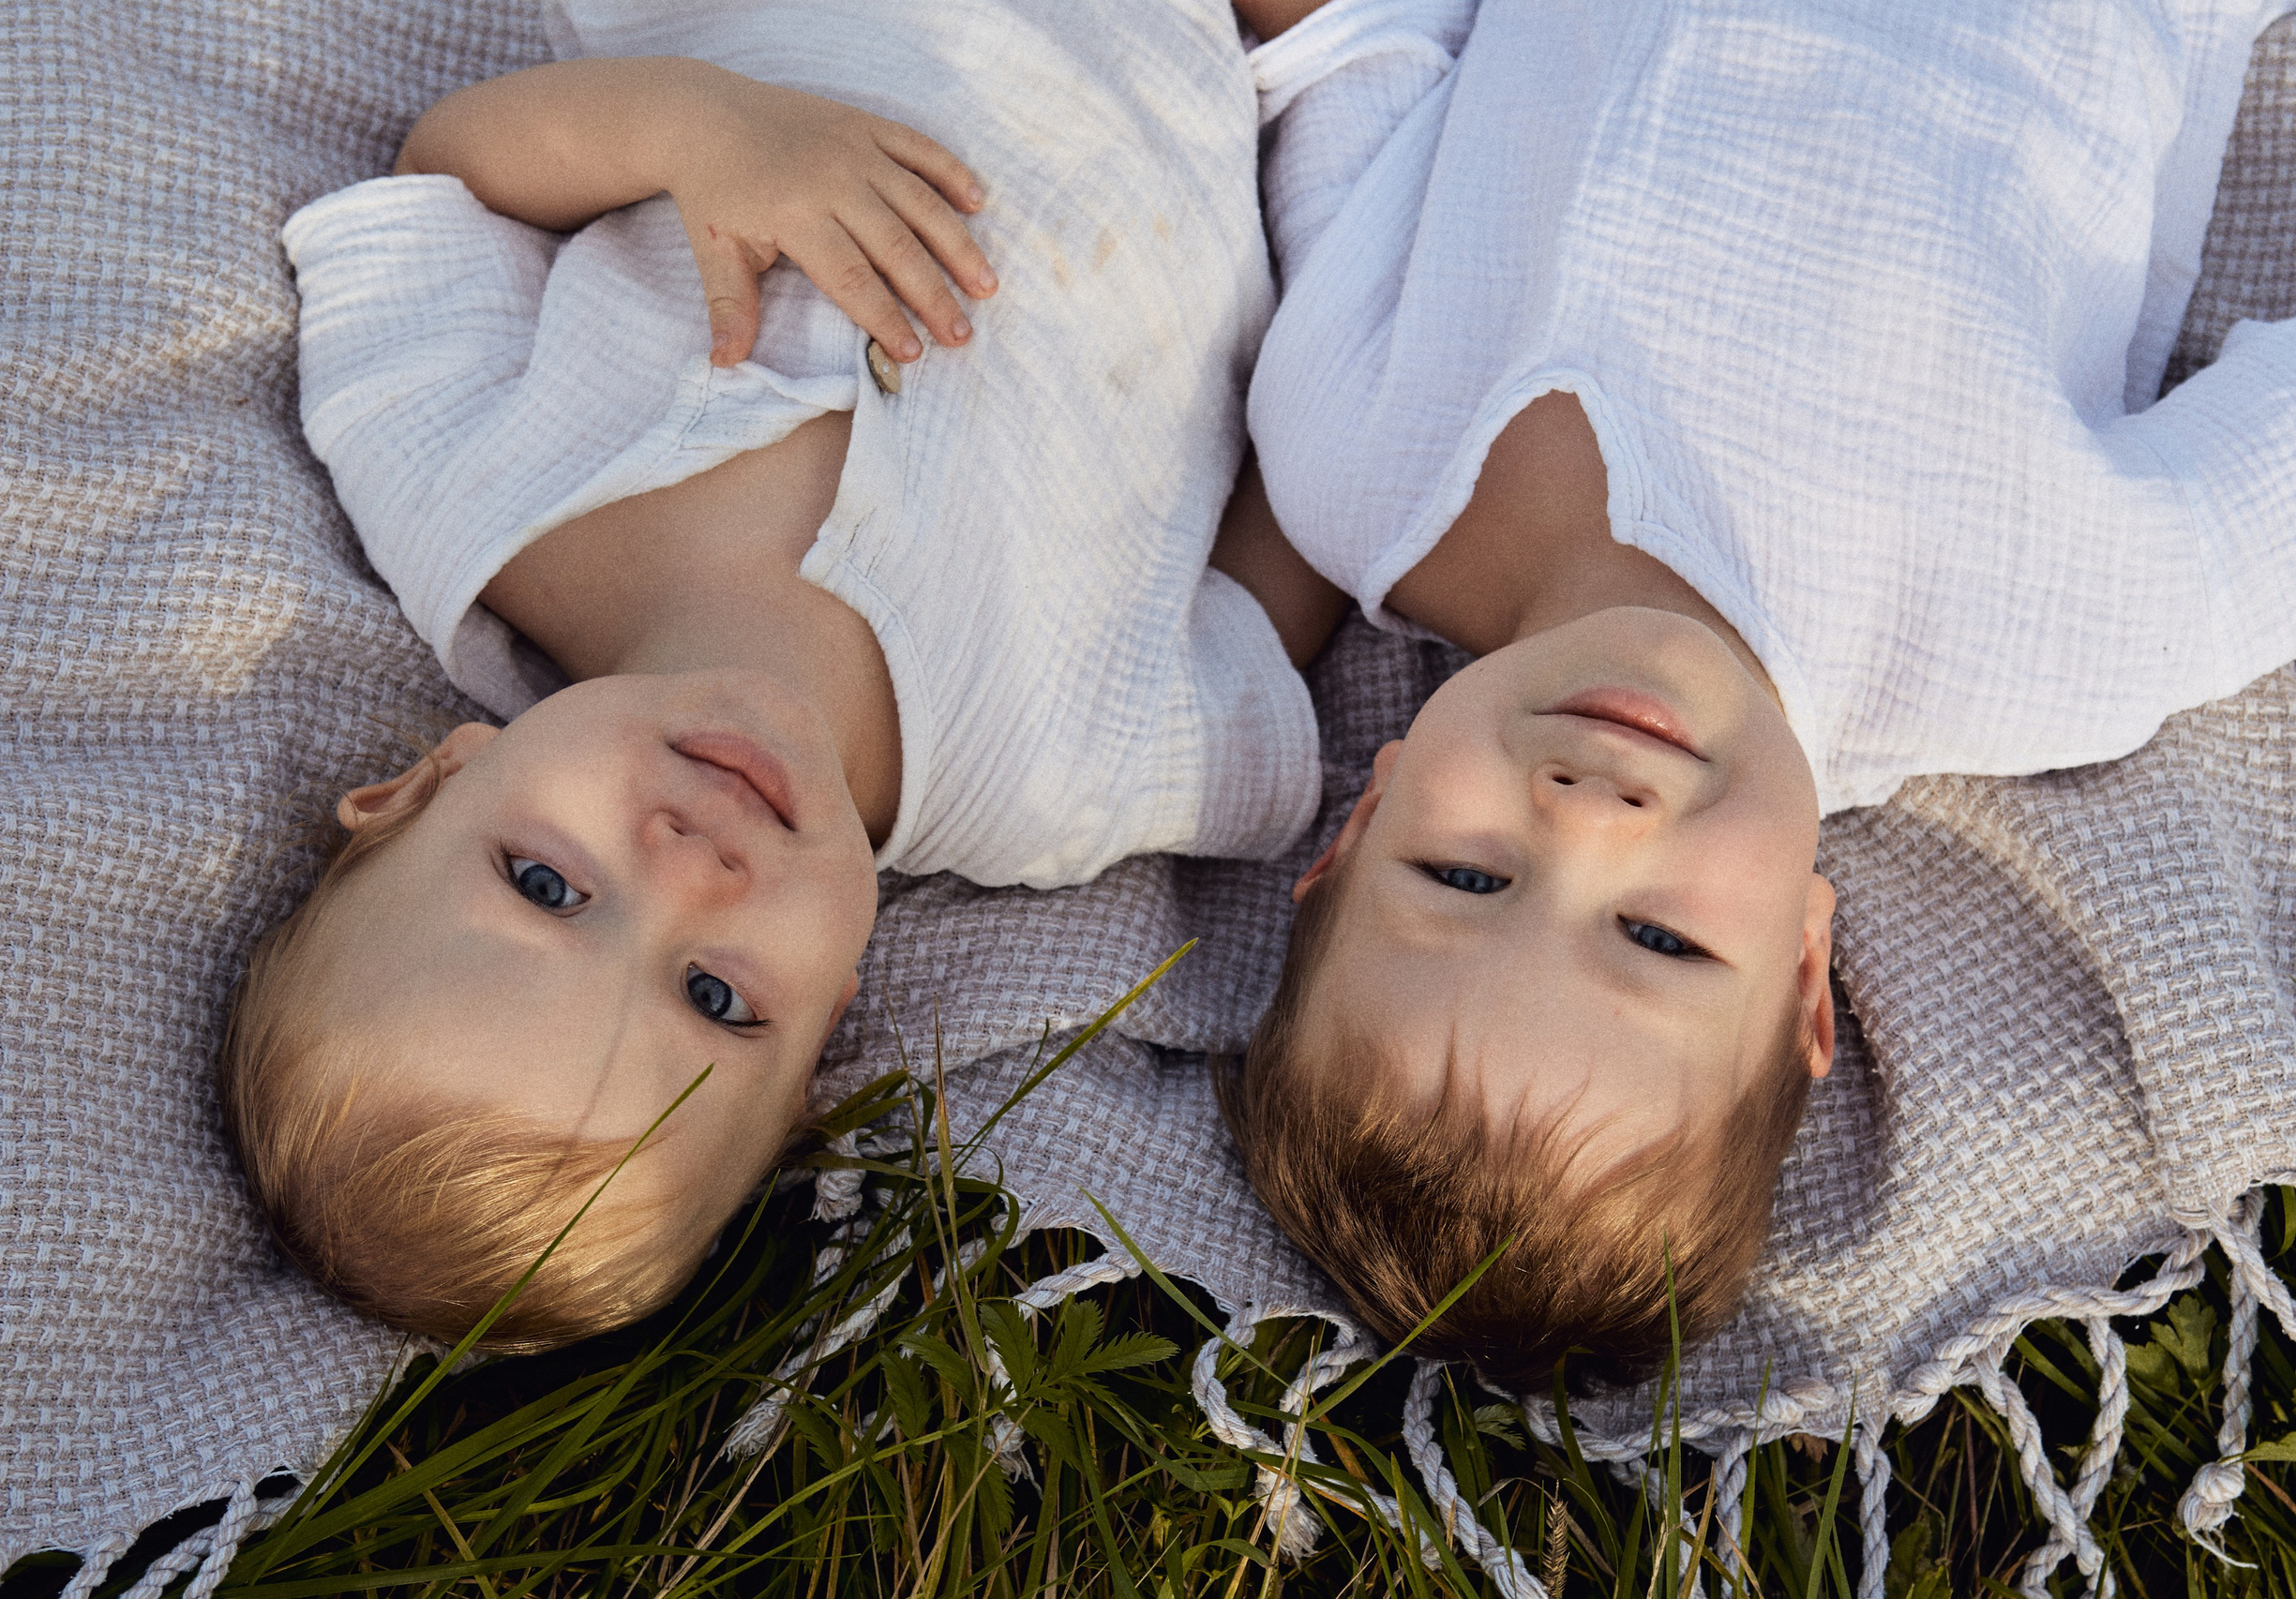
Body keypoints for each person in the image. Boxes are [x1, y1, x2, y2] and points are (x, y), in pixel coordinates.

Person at [223, 0, 1337, 1351]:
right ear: (825, 1040)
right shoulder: (1058, 771)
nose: (688, 861)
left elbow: (442, 177)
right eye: (716, 997)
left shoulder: (467, 496)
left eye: (544, 883)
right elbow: (1286, 582)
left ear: (428, 781)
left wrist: (698, 129)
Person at [1218, 0, 2296, 1392]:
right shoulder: (2033, 637)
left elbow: (1356, 48)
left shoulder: (1356, 458)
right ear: (1804, 970)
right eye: (1661, 940)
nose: (1591, 817)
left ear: (1358, 824)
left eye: (1469, 876)